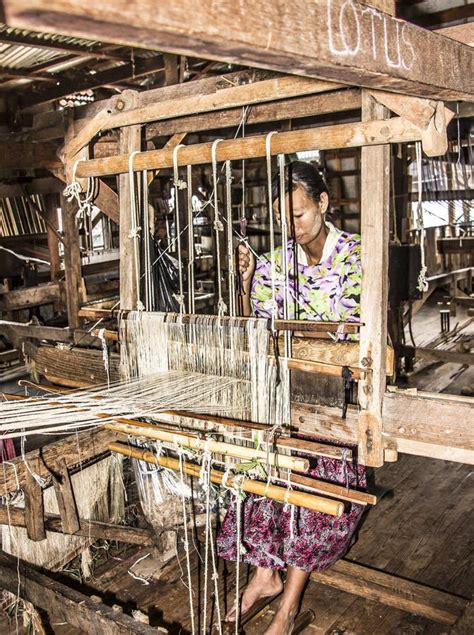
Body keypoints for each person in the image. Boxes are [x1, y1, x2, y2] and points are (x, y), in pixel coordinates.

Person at [217, 161, 366, 634]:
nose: (292, 227)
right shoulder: (276, 263)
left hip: (333, 398)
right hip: (285, 391)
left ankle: (290, 607)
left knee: (310, 493)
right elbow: (257, 326)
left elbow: (357, 330)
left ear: (323, 204)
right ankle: (265, 576)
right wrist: (245, 286)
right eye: (284, 218)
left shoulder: (356, 257)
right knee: (260, 472)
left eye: (299, 215)